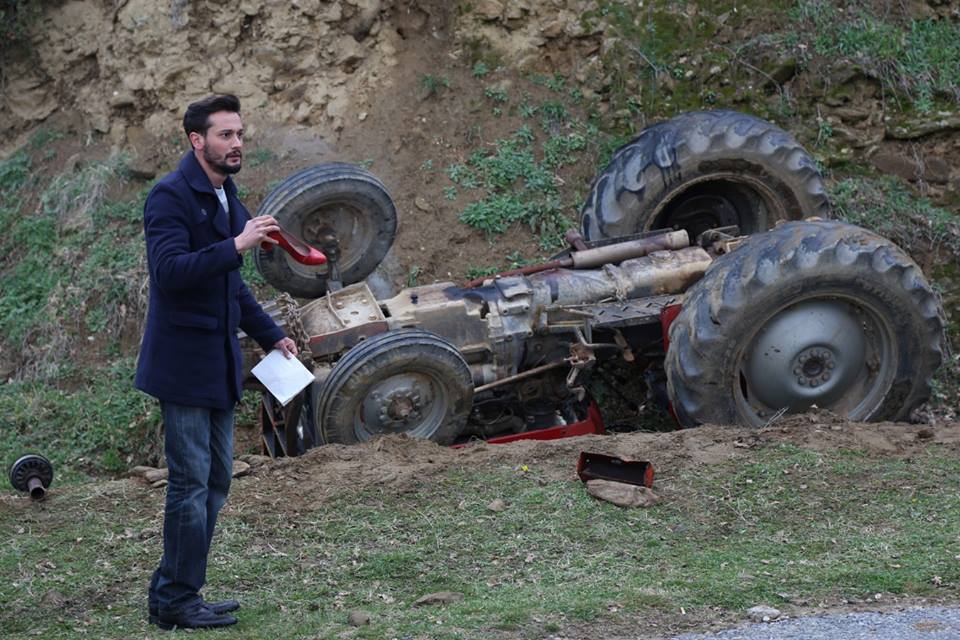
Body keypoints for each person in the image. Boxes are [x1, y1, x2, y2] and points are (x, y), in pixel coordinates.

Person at [135, 94, 298, 630]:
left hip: (219, 363)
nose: (236, 144)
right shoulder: (169, 195)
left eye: (240, 134)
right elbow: (171, 272)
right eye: (225, 135)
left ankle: (173, 593)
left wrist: (272, 336)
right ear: (196, 141)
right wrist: (238, 243)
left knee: (218, 480)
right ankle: (179, 601)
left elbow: (233, 287)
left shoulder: (228, 197)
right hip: (182, 366)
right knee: (190, 484)